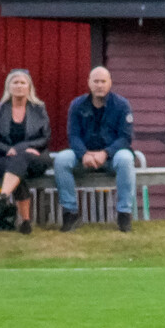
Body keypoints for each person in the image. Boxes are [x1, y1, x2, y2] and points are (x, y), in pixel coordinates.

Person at [53, 66, 136, 233]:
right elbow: (73, 135)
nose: (99, 85)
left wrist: (105, 153)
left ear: (110, 83)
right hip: (83, 156)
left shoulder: (122, 105)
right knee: (61, 160)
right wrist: (83, 154)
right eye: (96, 81)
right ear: (89, 83)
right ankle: (70, 213)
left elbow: (125, 138)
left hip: (112, 157)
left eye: (103, 81)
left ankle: (124, 214)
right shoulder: (77, 105)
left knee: (126, 159)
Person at [0, 69, 52, 235]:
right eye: (15, 82)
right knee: (17, 167)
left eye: (22, 82)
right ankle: (25, 222)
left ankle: (3, 198)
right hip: (4, 157)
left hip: (35, 158)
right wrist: (8, 150)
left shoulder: (39, 109)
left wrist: (20, 148)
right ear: (8, 86)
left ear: (29, 87)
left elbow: (45, 138)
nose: (19, 86)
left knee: (21, 158)